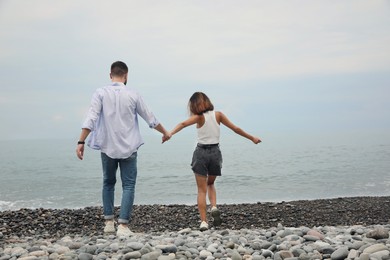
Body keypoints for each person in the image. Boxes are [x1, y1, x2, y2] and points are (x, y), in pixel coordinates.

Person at [76, 61, 170, 237]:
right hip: (129, 146)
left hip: (107, 146)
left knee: (108, 182)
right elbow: (150, 117)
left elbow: (91, 117)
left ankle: (109, 223)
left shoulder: (100, 93)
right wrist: (165, 132)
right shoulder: (133, 94)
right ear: (126, 76)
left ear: (110, 75)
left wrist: (81, 141)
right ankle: (123, 226)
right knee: (128, 185)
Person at [167, 92, 261, 231]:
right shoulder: (219, 115)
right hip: (215, 153)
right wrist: (252, 138)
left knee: (201, 190)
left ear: (193, 105)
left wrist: (170, 133)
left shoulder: (198, 118)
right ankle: (214, 206)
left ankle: (204, 222)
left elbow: (182, 124)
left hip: (201, 153)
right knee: (210, 183)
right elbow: (236, 129)